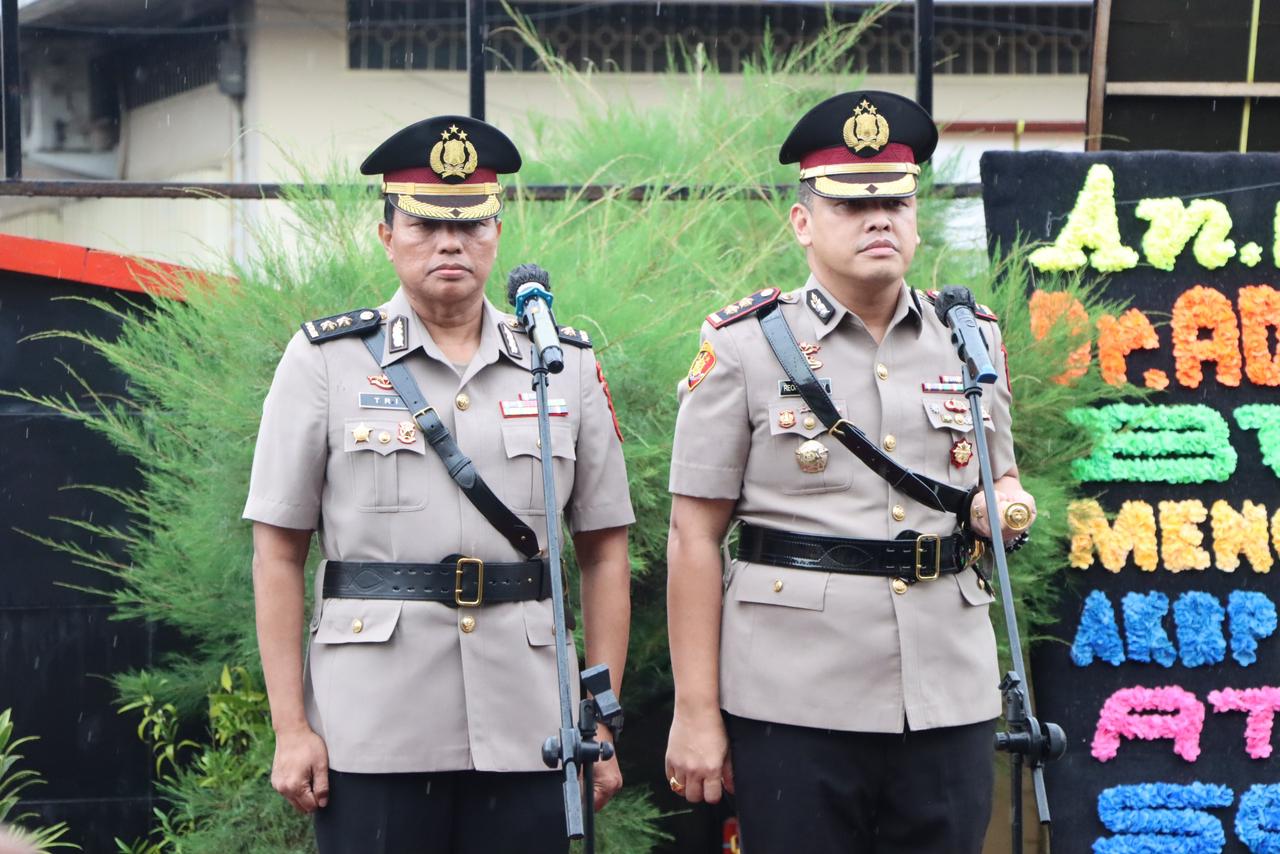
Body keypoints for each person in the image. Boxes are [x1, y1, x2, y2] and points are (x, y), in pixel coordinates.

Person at [244, 115, 634, 853]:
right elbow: (277, 552)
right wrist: (291, 727)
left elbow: (606, 551)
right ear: (386, 233)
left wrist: (600, 715)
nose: (449, 243)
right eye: (424, 224)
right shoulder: (324, 362)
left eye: (470, 224)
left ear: (496, 231)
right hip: (374, 724)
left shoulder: (563, 363)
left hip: (533, 723)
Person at [663, 91, 1037, 853]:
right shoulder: (744, 346)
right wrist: (696, 710)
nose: (880, 220)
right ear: (803, 222)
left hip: (946, 688)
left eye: (896, 202)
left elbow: (1001, 478)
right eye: (851, 205)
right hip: (796, 695)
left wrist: (1006, 500)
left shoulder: (971, 339)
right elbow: (692, 537)